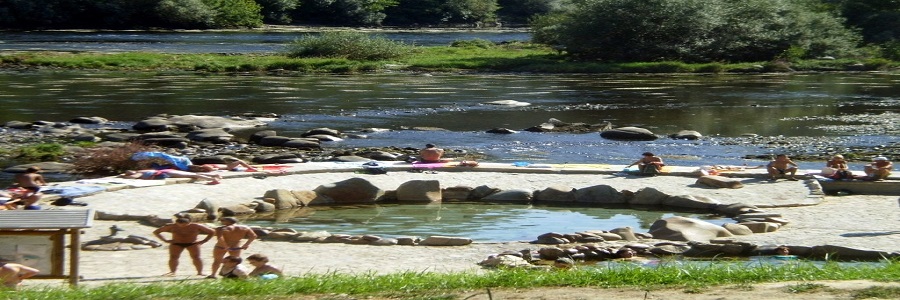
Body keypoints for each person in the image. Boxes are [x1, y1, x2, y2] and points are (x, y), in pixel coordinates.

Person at [119, 169, 222, 184]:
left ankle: (213, 179)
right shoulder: (141, 170)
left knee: (193, 175)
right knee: (191, 174)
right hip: (166, 172)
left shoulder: (139, 172)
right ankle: (214, 175)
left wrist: (122, 176)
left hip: (166, 172)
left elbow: (132, 178)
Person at [187, 159, 257, 173]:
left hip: (227, 167)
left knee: (240, 163)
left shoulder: (204, 166)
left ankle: (251, 168)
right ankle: (251, 168)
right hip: (227, 167)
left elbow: (212, 169)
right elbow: (212, 169)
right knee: (240, 162)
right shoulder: (204, 166)